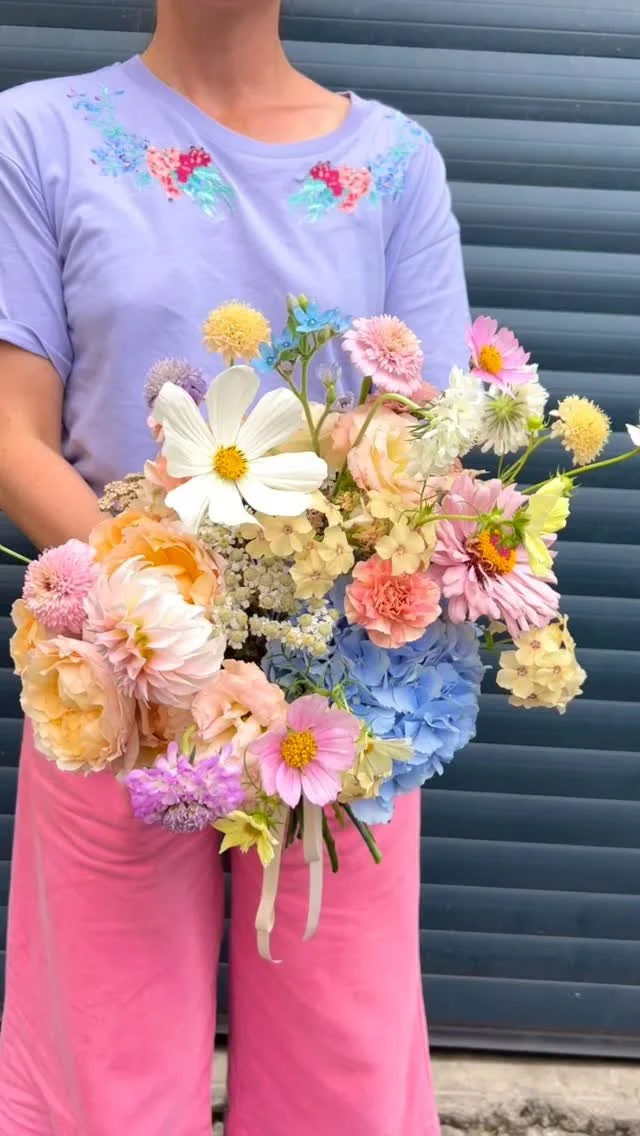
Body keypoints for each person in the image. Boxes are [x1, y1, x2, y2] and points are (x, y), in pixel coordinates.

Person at [0, 1, 469, 1132]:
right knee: (100, 1056)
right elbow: (13, 429)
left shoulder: (395, 163)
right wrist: (166, 619)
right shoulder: (40, 136)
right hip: (121, 667)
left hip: (344, 692)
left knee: (344, 1059)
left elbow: (437, 439)